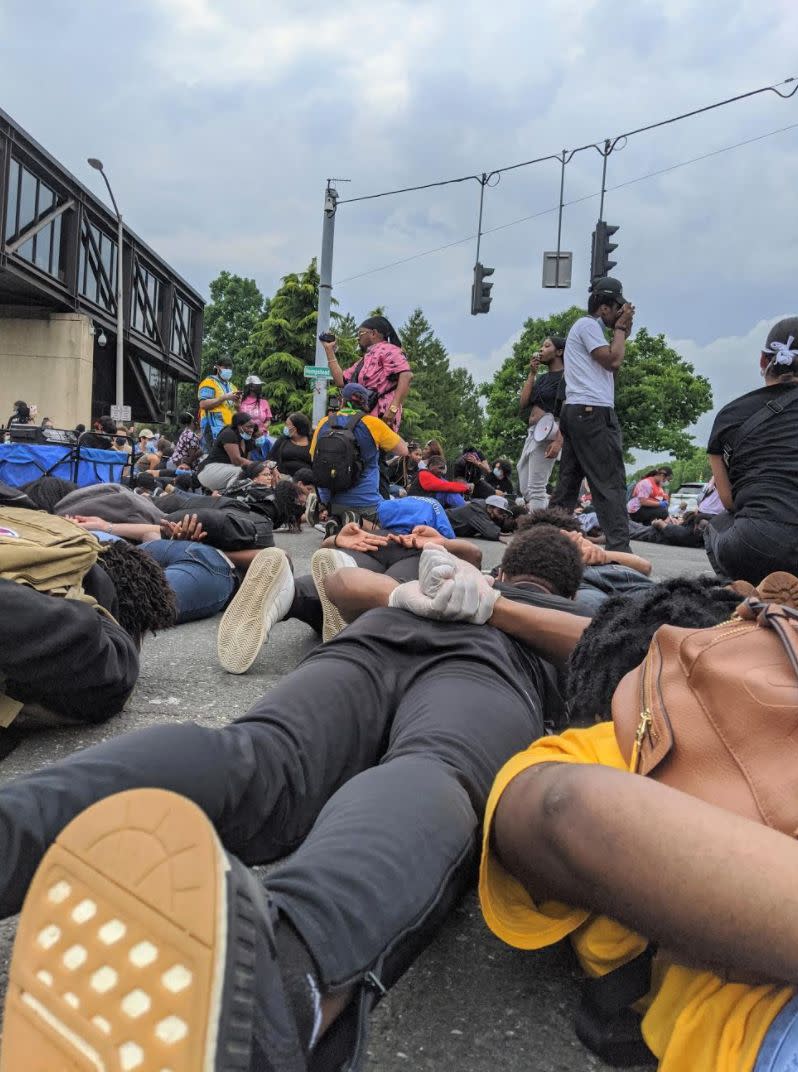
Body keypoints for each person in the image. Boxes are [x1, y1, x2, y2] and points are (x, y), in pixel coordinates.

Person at [0, 533, 581, 1070]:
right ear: (568, 586)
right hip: (496, 674)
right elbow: (623, 652)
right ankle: (275, 984)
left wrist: (422, 591)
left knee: (256, 754)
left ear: (507, 564)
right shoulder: (575, 609)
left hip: (372, 644)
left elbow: (341, 584)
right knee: (433, 772)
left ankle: (17, 826)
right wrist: (490, 608)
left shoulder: (428, 568)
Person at [705, 317, 798, 584]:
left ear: (762, 361)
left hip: (756, 544)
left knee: (714, 525)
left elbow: (728, 501)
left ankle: (740, 588)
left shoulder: (729, 415)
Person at [549, 277, 635, 552]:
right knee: (610, 483)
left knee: (568, 484)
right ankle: (621, 551)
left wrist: (622, 333)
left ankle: (546, 541)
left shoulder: (589, 330)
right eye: (616, 309)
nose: (619, 316)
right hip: (592, 412)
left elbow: (611, 369)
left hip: (578, 411)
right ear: (604, 309)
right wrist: (620, 331)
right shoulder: (587, 325)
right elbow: (614, 361)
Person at [310, 382, 407, 523]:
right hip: (366, 503)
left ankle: (336, 518)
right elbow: (403, 450)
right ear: (365, 403)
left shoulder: (324, 423)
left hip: (332, 501)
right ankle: (357, 521)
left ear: (342, 400)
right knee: (387, 526)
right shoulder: (373, 423)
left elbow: (314, 458)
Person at [320, 315, 413, 429]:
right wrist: (329, 350)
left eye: (360, 333)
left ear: (373, 333)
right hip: (362, 417)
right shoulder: (364, 359)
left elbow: (406, 375)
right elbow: (341, 381)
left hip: (382, 416)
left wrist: (393, 408)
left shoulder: (389, 350)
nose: (357, 338)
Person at [516, 335, 566, 509]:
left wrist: (559, 440)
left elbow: (568, 409)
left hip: (549, 433)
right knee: (525, 486)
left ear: (559, 352)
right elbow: (523, 403)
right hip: (533, 432)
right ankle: (547, 515)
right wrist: (532, 373)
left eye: (546, 346)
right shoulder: (543, 378)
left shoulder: (566, 376)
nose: (541, 350)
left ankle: (536, 530)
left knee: (536, 487)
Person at [197, 412, 256, 491]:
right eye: (248, 427)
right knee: (243, 472)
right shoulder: (229, 434)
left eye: (253, 427)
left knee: (251, 473)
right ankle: (230, 495)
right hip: (209, 470)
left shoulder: (247, 439)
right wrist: (260, 465)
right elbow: (236, 460)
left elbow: (247, 463)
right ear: (239, 426)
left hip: (226, 471)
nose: (251, 430)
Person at [197, 355, 240, 450]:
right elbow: (203, 404)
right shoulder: (208, 382)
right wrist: (224, 397)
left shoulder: (233, 387)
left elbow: (236, 409)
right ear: (217, 367)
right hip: (213, 429)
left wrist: (237, 404)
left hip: (230, 429)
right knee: (213, 458)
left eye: (230, 368)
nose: (228, 370)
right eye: (225, 367)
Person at [406, 453, 471, 508]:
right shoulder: (423, 474)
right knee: (447, 492)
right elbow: (445, 486)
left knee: (451, 489)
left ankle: (464, 505)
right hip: (416, 504)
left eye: (443, 468)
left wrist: (464, 488)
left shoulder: (436, 476)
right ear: (431, 466)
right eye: (440, 468)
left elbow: (448, 484)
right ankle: (465, 508)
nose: (442, 471)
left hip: (425, 502)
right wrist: (465, 488)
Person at [447, 494, 516, 540]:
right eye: (500, 512)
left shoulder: (484, 511)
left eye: (504, 514)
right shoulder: (475, 509)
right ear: (490, 508)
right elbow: (491, 532)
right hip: (439, 522)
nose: (501, 516)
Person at [267, 412, 313, 476]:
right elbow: (270, 459)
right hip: (282, 477)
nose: (285, 427)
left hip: (305, 480)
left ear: (294, 429)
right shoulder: (283, 440)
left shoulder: (312, 442)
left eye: (287, 425)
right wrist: (274, 470)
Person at [239, 374, 273, 438]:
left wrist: (262, 429)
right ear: (250, 387)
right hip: (244, 436)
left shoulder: (264, 402)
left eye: (260, 385)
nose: (259, 387)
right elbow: (237, 419)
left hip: (261, 436)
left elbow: (268, 420)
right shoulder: (240, 401)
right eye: (257, 385)